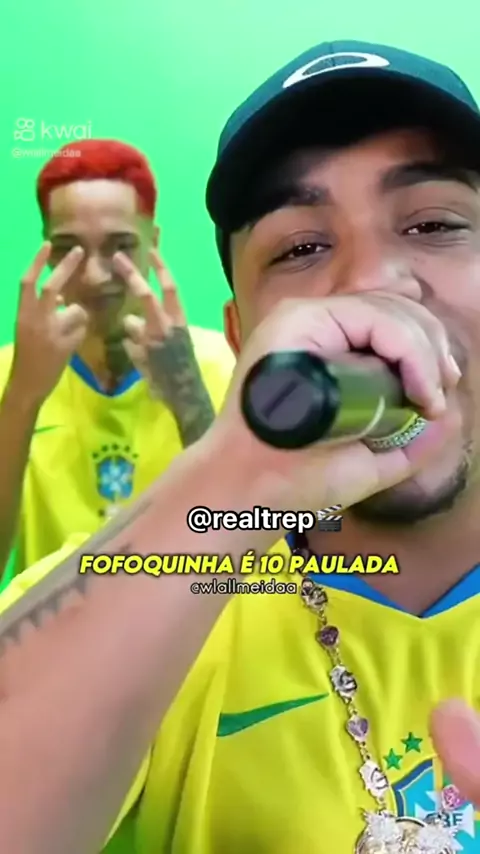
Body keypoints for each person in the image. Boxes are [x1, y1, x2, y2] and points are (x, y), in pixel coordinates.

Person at [2, 39, 480, 854]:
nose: (372, 280)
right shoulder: (148, 609)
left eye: (434, 224)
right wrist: (236, 476)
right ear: (242, 334)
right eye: (300, 248)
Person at [0, 139, 234, 582]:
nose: (94, 276)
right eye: (68, 248)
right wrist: (22, 398)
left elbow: (255, 551)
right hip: (49, 625)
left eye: (120, 245)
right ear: (46, 253)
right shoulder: (11, 378)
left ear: (153, 244)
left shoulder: (224, 367)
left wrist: (190, 403)